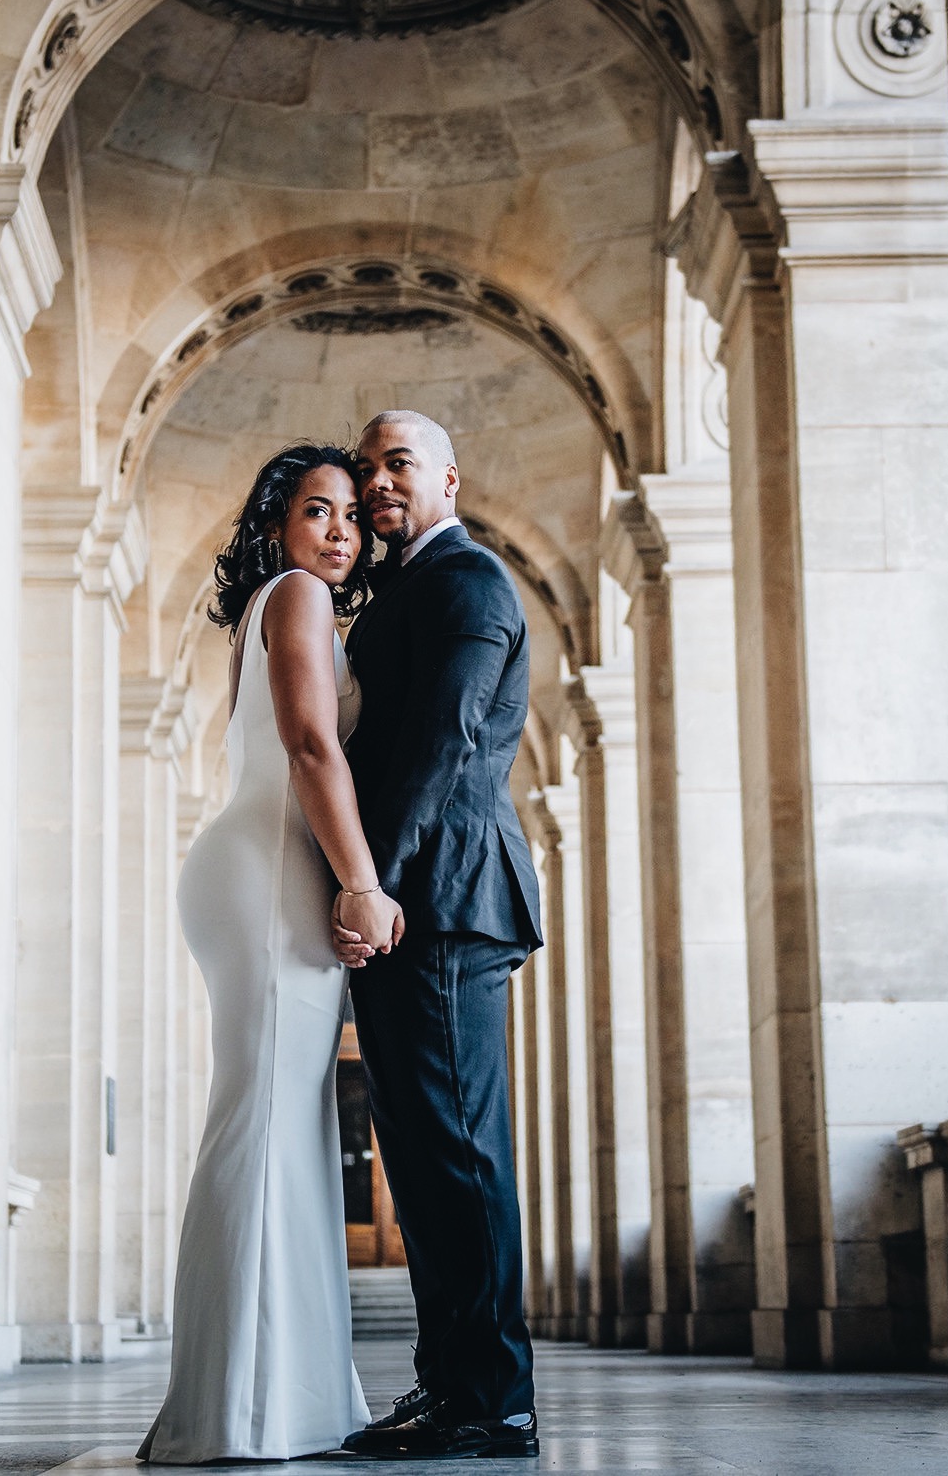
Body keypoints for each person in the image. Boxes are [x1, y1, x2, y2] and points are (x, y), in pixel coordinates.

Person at [137, 444, 396, 1465]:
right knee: (263, 1122)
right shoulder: (293, 595)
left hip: (253, 866)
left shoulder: (277, 604)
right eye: (315, 509)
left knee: (273, 1122)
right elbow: (308, 744)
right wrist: (363, 881)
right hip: (266, 875)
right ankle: (240, 1410)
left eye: (349, 516)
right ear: (277, 525)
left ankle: (262, 1398)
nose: (339, 530)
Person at [336, 408, 544, 1461]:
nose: (378, 480)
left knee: (459, 1157)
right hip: (414, 902)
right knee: (418, 1162)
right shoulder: (408, 583)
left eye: (397, 462)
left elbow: (443, 742)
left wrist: (371, 880)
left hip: (446, 899)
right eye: (367, 465)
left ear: (448, 478)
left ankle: (496, 1397)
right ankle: (448, 1381)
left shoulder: (466, 580)